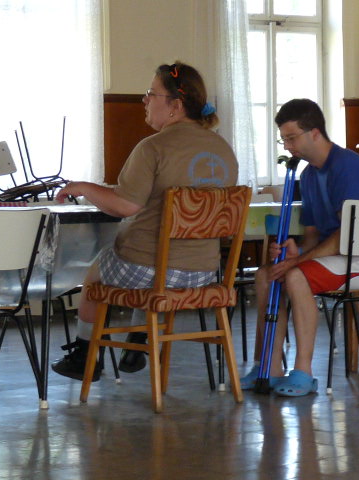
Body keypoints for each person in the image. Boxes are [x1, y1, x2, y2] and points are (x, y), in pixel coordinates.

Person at [51, 61, 238, 381]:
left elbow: (125, 205)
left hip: (150, 270)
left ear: (175, 105)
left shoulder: (153, 147)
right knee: (152, 261)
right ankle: (139, 338)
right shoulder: (224, 149)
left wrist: (84, 188)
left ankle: (85, 356)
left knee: (97, 273)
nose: (145, 100)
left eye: (151, 93)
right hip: (205, 273)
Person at [240, 98, 359, 396]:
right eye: (283, 140)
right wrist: (294, 252)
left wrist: (298, 262)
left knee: (296, 276)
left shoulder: (346, 166)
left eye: (292, 138)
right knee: (266, 275)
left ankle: (303, 371)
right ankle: (268, 367)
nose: (287, 146)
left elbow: (348, 234)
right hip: (336, 256)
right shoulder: (308, 175)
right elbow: (312, 234)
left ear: (315, 133)